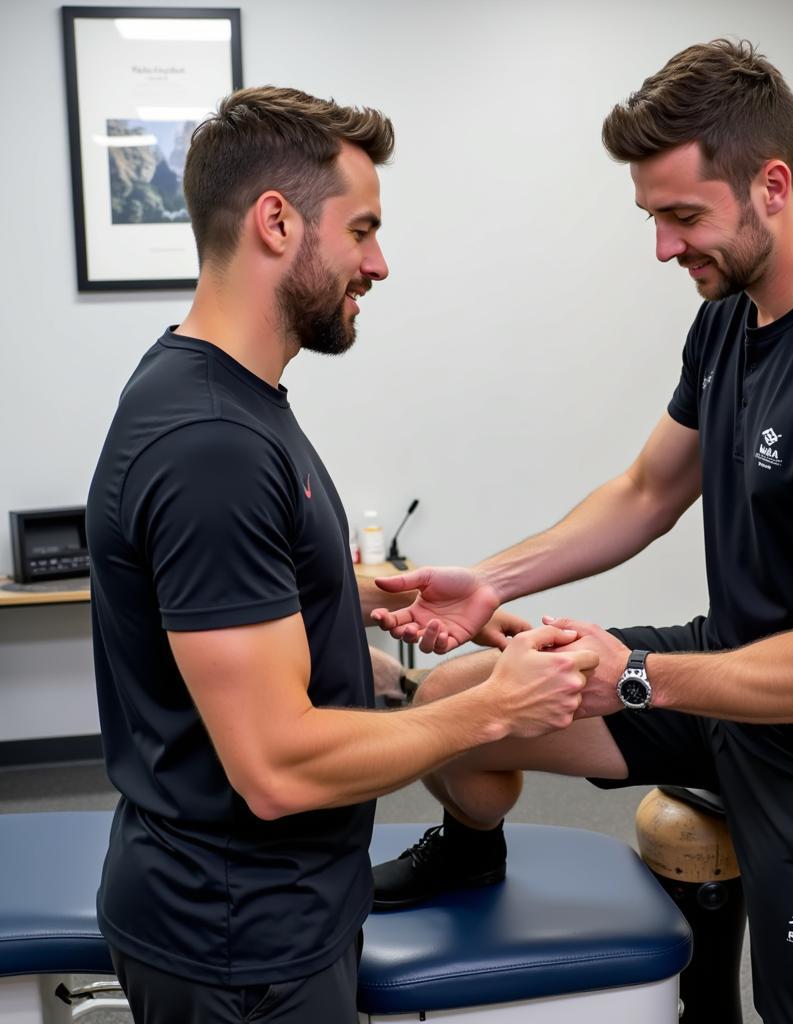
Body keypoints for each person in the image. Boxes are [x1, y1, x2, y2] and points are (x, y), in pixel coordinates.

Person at [369, 39, 793, 1024]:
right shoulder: (730, 317)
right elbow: (649, 489)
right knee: (460, 700)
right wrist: (490, 582)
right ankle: (472, 852)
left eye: (682, 216)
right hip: (730, 681)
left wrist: (640, 677)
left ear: (770, 185)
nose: (663, 247)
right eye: (654, 217)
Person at [85, 85, 597, 1024]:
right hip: (239, 940)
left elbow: (218, 590)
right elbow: (277, 765)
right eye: (361, 231)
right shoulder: (212, 444)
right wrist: (494, 707)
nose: (380, 264)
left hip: (273, 912)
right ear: (276, 223)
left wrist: (352, 590)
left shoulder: (227, 398)